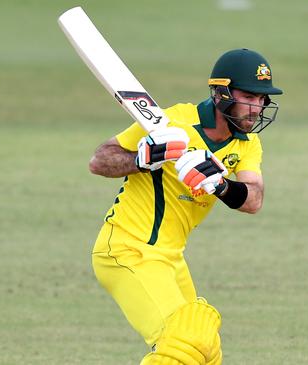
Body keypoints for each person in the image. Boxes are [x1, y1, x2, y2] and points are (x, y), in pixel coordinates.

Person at [89, 48, 283, 365]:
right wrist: (142, 160)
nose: (257, 107)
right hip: (127, 249)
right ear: (221, 93)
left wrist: (220, 184)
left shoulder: (246, 143)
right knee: (182, 343)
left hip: (170, 257)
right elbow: (99, 161)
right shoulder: (172, 122)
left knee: (205, 346)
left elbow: (253, 200)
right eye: (250, 96)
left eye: (263, 99)